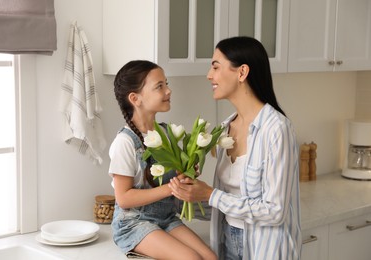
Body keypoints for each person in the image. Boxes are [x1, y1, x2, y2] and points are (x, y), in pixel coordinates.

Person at [169, 36, 302, 260]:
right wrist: (189, 194)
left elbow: (274, 211)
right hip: (228, 242)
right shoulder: (225, 128)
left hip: (265, 250)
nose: (209, 75)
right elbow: (227, 204)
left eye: (215, 66)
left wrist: (210, 194)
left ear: (241, 73)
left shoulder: (276, 129)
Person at [109, 60, 217, 260]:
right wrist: (171, 188)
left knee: (211, 257)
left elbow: (171, 179)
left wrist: (186, 173)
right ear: (135, 98)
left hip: (165, 218)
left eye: (166, 84)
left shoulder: (167, 134)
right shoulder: (125, 143)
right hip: (133, 223)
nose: (168, 91)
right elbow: (124, 198)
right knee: (191, 258)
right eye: (160, 86)